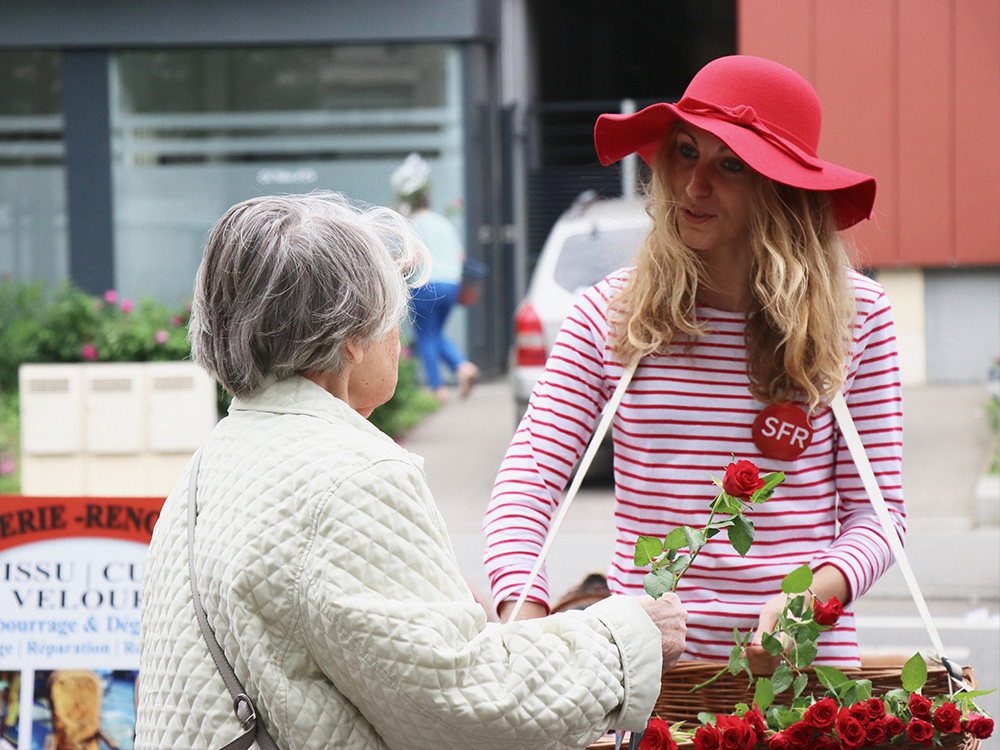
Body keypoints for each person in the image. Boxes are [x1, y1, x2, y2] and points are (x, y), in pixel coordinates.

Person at [135, 192, 687, 750]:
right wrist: (624, 641)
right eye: (395, 308)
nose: (400, 333)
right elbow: (468, 704)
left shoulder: (212, 462)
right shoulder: (350, 479)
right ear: (350, 335)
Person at [483, 55, 905, 670]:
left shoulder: (857, 315)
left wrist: (810, 601)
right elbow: (528, 484)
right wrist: (528, 628)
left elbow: (879, 514)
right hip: (646, 680)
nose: (694, 185)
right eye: (685, 152)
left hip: (800, 680)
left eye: (730, 164)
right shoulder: (609, 313)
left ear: (782, 188)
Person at [391, 152, 479, 403]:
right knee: (436, 332)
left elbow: (415, 258)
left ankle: (437, 389)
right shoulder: (442, 222)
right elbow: (460, 257)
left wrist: (393, 270)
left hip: (425, 285)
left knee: (426, 336)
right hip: (452, 284)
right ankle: (463, 367)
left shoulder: (411, 224)